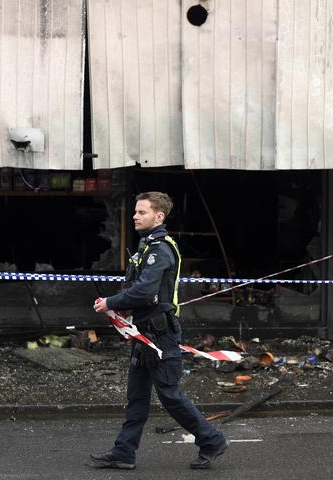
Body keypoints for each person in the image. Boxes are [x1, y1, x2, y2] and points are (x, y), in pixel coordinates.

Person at [89, 191, 228, 470]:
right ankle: (124, 453)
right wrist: (124, 308)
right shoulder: (147, 246)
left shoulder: (160, 249)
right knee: (137, 396)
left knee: (170, 394)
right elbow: (141, 291)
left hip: (161, 335)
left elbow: (144, 291)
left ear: (159, 216)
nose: (135, 216)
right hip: (144, 334)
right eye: (136, 212)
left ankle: (211, 440)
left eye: (142, 212)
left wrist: (111, 303)